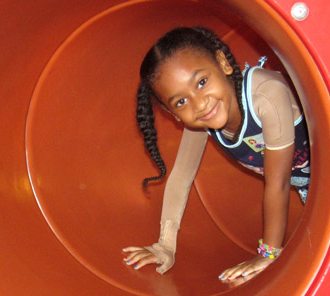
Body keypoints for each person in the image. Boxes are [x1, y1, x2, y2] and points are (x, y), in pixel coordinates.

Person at [122, 26, 310, 281]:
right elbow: (181, 178)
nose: (199, 104)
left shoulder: (264, 94)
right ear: (174, 115)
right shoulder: (203, 122)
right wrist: (166, 244)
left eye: (201, 82)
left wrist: (268, 255)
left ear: (223, 63)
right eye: (181, 102)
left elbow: (278, 183)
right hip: (315, 186)